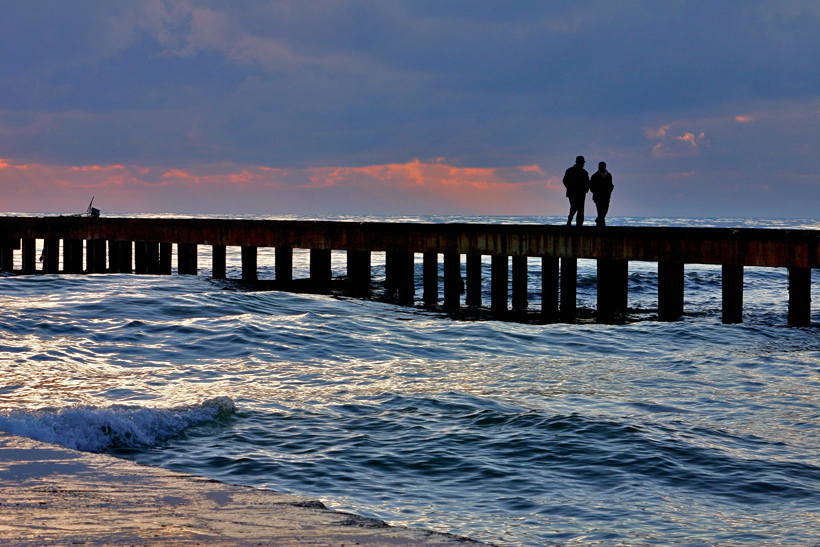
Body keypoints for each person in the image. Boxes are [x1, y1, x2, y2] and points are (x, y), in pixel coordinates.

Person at [563, 156, 589, 226]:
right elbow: (565, 181)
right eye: (581, 163)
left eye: (582, 163)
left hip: (581, 193)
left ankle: (578, 223)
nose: (582, 164)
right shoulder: (570, 171)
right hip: (573, 193)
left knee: (580, 209)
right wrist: (571, 188)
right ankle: (570, 220)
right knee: (575, 207)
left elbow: (587, 183)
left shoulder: (584, 172)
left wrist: (585, 190)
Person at [589, 161, 614, 227]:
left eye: (604, 167)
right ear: (599, 167)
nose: (603, 168)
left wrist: (609, 191)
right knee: (600, 211)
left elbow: (610, 185)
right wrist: (596, 192)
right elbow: (591, 186)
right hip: (598, 197)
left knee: (605, 210)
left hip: (606, 196)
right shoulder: (595, 176)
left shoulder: (609, 175)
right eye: (601, 167)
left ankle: (599, 221)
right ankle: (601, 225)